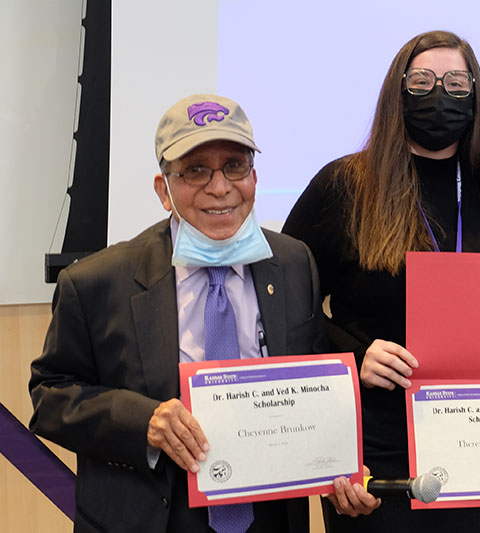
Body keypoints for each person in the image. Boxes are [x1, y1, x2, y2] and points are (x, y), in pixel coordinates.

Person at [29, 94, 379, 533]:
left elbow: (311, 381)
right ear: (163, 189)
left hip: (268, 517)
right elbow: (50, 396)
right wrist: (143, 422)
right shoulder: (97, 281)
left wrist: (339, 465)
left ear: (254, 176)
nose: (220, 187)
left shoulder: (293, 263)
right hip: (151, 516)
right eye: (195, 170)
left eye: (235, 165)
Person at [283, 31, 480, 532]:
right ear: (397, 93)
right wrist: (353, 357)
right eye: (422, 81)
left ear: (476, 96)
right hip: (379, 443)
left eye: (456, 82)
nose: (439, 95)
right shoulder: (344, 186)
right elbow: (287, 309)